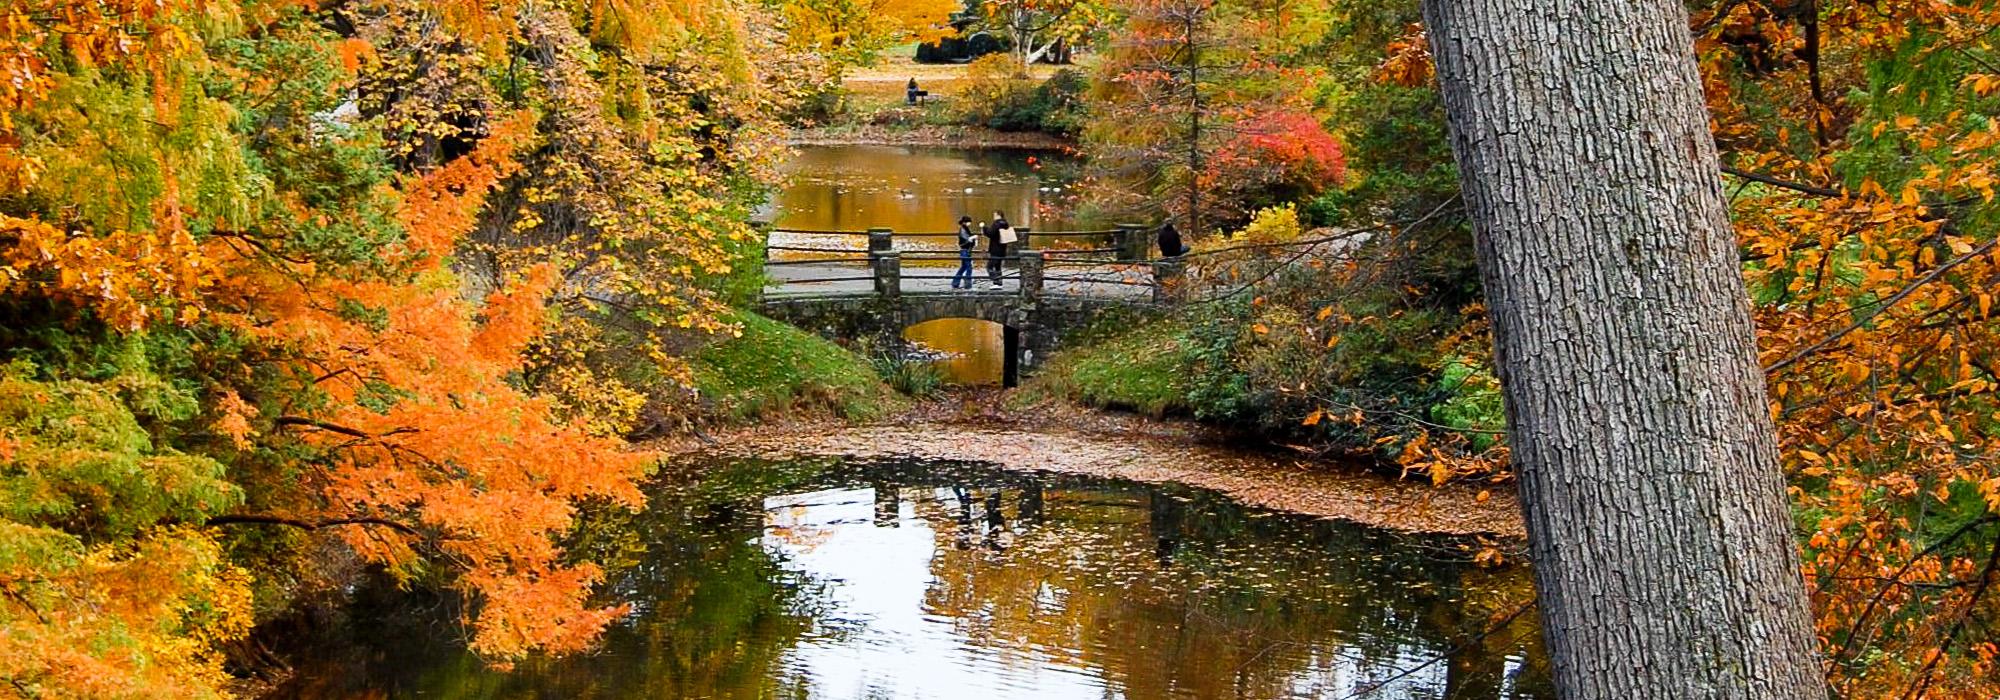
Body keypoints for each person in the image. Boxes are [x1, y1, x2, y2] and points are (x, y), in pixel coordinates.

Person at [983, 210, 1012, 290]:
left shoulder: (996, 224)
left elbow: (990, 233)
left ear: (998, 215)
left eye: (994, 215)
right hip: (1002, 248)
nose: (994, 217)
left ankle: (996, 281)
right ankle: (999, 283)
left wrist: (984, 228)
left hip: (995, 249)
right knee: (998, 266)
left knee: (989, 267)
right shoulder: (1005, 224)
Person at [951, 215, 977, 289]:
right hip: (965, 250)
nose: (970, 224)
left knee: (963, 267)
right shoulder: (963, 230)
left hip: (964, 250)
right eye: (969, 222)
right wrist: (972, 238)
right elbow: (966, 239)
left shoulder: (964, 229)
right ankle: (968, 284)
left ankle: (955, 283)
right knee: (969, 267)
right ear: (965, 222)